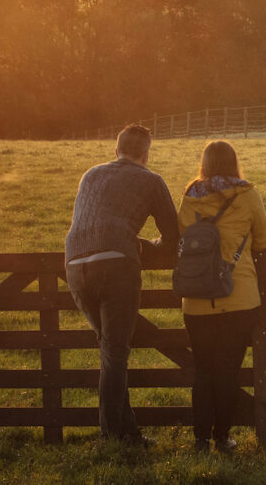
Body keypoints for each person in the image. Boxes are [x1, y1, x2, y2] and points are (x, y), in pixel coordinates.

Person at [65, 123, 179, 446]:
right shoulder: (151, 180)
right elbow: (173, 238)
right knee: (115, 353)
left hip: (73, 264)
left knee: (110, 351)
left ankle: (126, 432)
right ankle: (112, 434)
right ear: (146, 154)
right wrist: (146, 247)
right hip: (115, 265)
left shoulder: (90, 175)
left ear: (116, 151)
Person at [177, 140, 266, 453]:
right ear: (234, 163)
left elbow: (180, 239)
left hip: (197, 299)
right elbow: (262, 242)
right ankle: (223, 437)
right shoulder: (248, 194)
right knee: (228, 370)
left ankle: (201, 439)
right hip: (239, 297)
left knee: (203, 370)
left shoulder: (190, 197)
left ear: (204, 163)